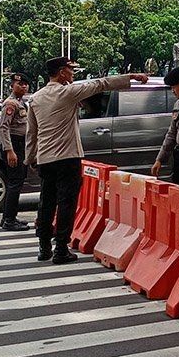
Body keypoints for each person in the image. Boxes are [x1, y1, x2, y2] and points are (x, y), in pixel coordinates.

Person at [25, 57, 148, 263]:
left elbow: (32, 133)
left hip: (45, 158)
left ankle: (44, 246)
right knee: (66, 203)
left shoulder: (36, 98)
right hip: (67, 158)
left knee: (46, 203)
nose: (73, 74)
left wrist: (30, 158)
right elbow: (101, 83)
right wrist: (131, 77)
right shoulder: (67, 92)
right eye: (70, 71)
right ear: (62, 73)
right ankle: (61, 249)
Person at [0, 72, 32, 231]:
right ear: (13, 86)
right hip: (14, 145)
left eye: (25, 84)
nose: (23, 86)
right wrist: (10, 150)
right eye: (20, 84)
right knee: (15, 183)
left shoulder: (20, 102)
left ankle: (7, 217)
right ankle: (9, 220)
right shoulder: (11, 104)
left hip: (20, 144)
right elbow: (3, 128)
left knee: (16, 182)